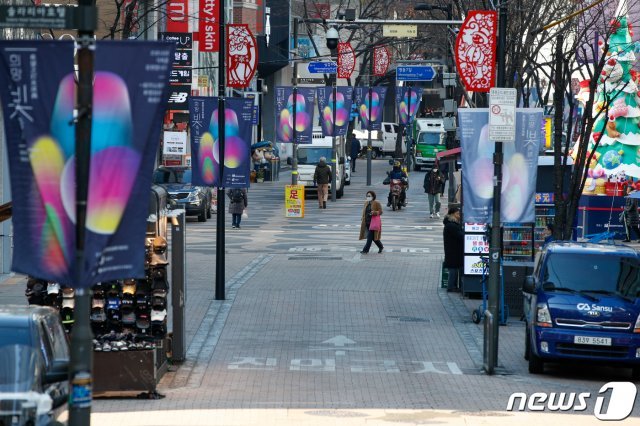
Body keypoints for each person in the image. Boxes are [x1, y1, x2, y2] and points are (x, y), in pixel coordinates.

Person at [443, 206, 463, 292]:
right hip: (453, 251)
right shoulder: (451, 225)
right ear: (452, 215)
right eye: (457, 214)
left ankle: (453, 286)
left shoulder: (452, 224)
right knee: (453, 269)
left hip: (453, 250)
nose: (459, 216)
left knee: (454, 268)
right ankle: (451, 287)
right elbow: (460, 235)